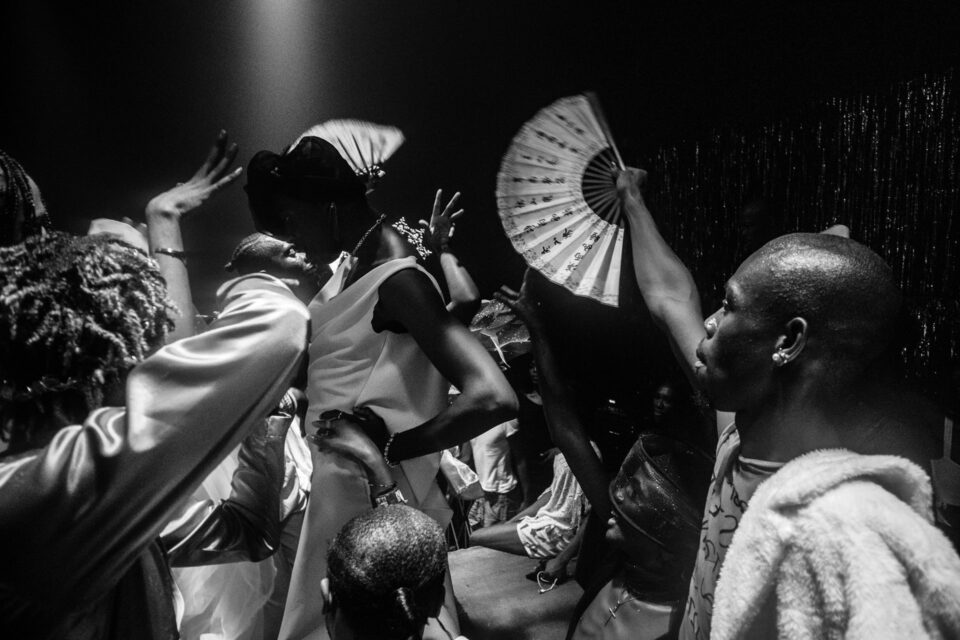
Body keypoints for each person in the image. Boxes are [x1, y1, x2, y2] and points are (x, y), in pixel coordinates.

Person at [616, 166, 960, 639]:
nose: (710, 322)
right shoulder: (735, 436)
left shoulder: (844, 516)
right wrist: (632, 199)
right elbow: (669, 297)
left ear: (789, 342)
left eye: (729, 305)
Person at [244, 136, 516, 639]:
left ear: (327, 208)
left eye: (291, 221)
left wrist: (388, 447)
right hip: (342, 482)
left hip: (368, 488)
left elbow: (494, 397)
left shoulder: (397, 280)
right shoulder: (357, 265)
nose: (292, 236)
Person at [0, 228, 308, 638]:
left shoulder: (106, 497)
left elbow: (249, 533)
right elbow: (279, 325)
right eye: (140, 355)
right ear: (101, 371)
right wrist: (253, 280)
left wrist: (266, 422)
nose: (150, 369)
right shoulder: (41, 494)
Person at [497, 272, 712, 640]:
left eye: (635, 494)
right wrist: (537, 330)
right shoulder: (625, 554)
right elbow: (567, 433)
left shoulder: (688, 623)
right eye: (629, 483)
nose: (618, 493)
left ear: (668, 540)